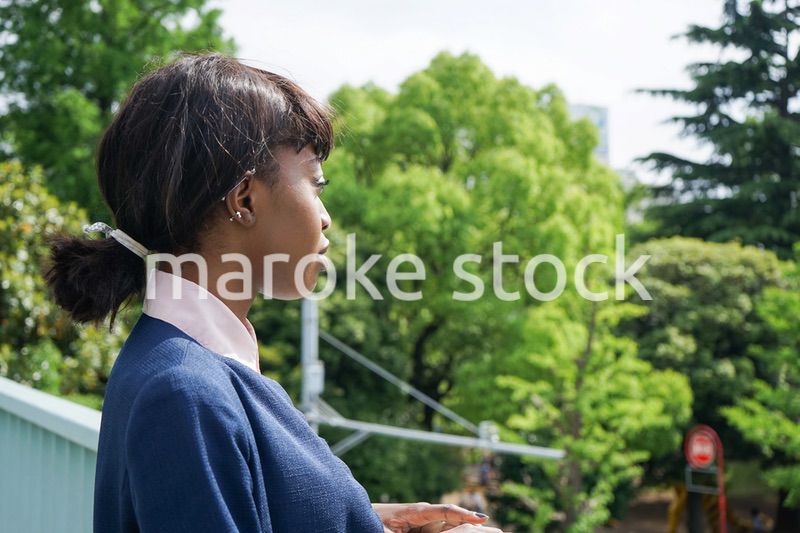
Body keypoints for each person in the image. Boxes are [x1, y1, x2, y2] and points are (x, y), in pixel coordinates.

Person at [45, 52, 505, 533]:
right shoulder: (185, 393)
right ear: (244, 199)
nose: (325, 216)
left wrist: (363, 521)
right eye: (316, 183)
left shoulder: (184, 364)